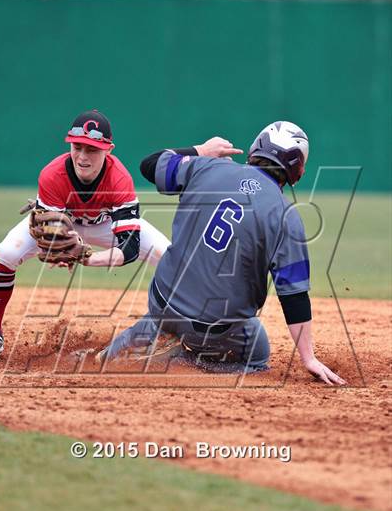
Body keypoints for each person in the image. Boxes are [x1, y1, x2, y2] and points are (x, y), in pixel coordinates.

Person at [98, 121, 346, 386]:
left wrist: (200, 150)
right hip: (213, 331)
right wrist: (308, 359)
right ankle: (185, 363)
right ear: (296, 168)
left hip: (161, 303)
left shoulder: (206, 167)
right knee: (258, 352)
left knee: (166, 314)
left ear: (255, 149)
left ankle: (135, 340)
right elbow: (293, 295)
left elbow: (150, 164)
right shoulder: (286, 216)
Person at [0, 109, 170, 360]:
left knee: (171, 258)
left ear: (109, 149)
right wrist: (58, 249)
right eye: (78, 147)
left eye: (92, 149)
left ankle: (170, 333)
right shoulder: (52, 174)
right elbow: (48, 232)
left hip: (106, 224)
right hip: (66, 224)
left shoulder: (120, 180)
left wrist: (89, 258)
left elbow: (129, 247)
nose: (83, 156)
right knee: (5, 254)